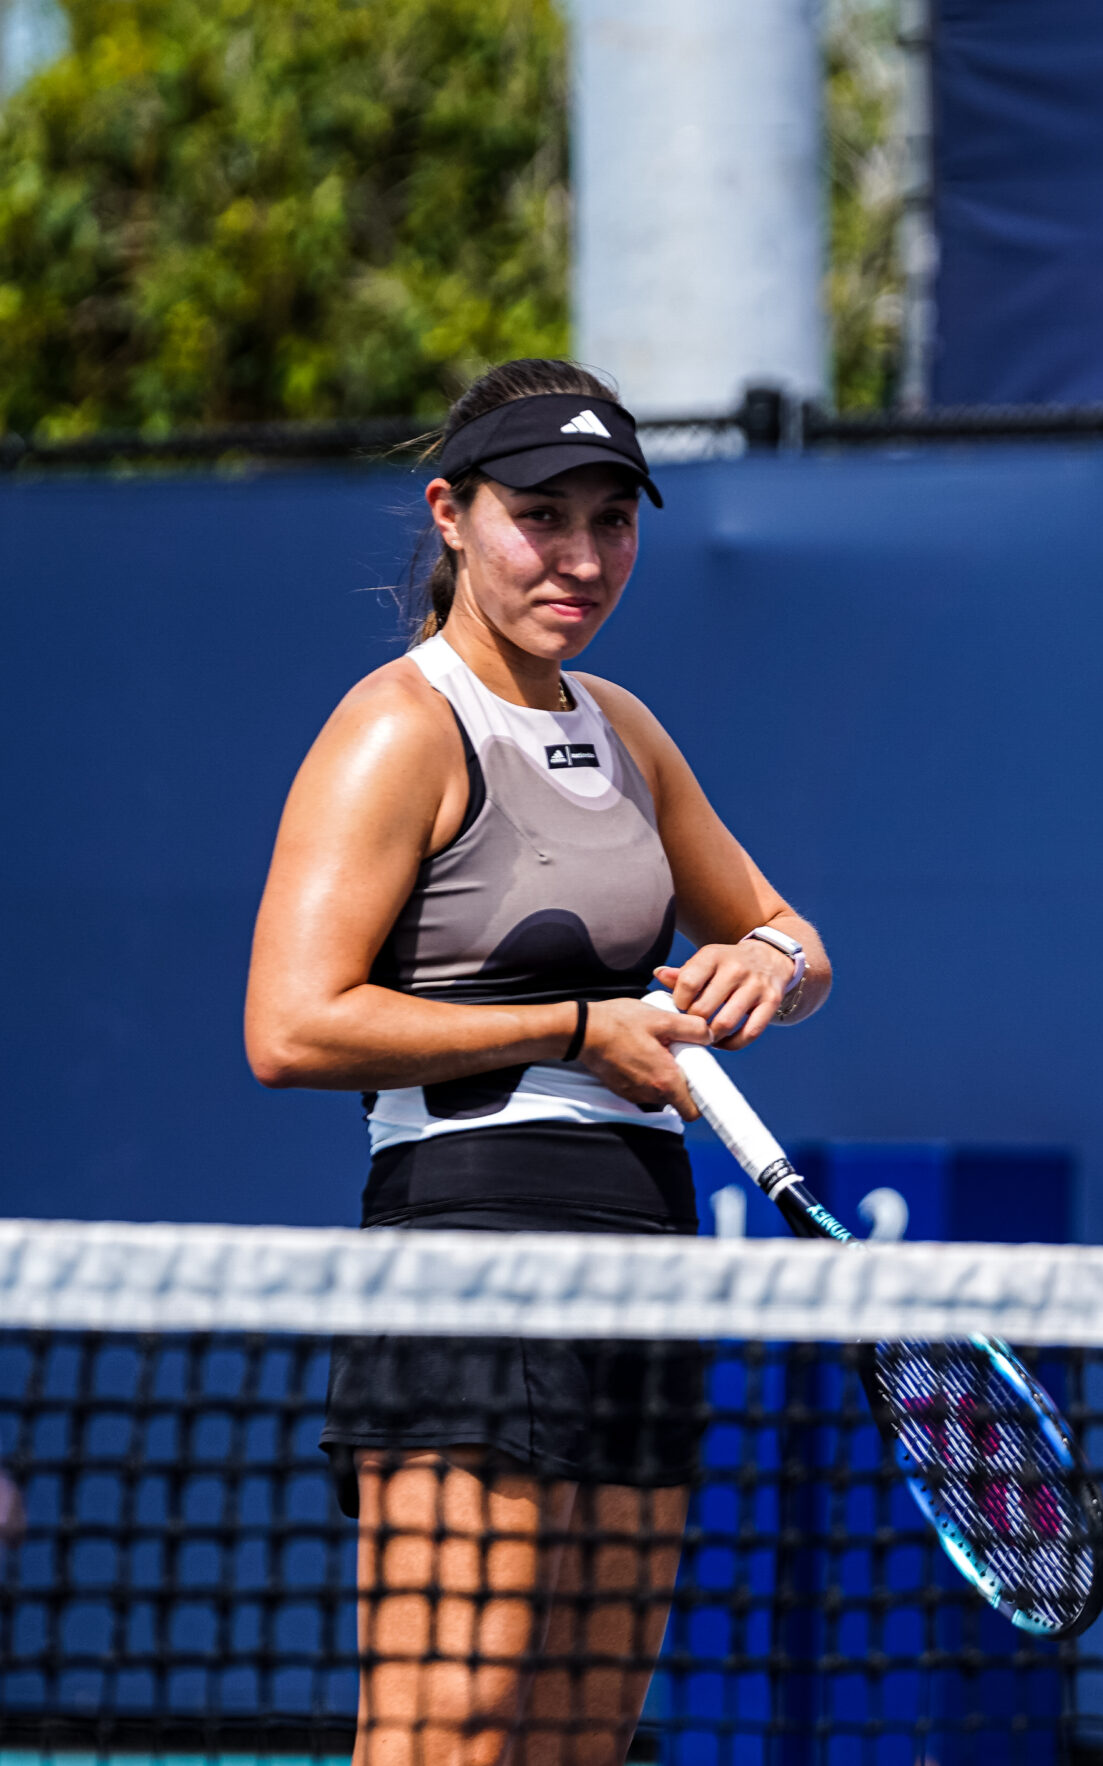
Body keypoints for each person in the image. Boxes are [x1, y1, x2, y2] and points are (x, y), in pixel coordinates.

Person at [244, 359, 832, 1766]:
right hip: (465, 1257)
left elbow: (789, 933)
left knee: (583, 1732)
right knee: (451, 1730)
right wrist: (576, 1028)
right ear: (452, 512)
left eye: (612, 519)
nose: (581, 557)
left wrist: (776, 963)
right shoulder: (397, 727)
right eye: (541, 516)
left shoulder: (623, 728)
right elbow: (291, 1023)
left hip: (641, 1264)